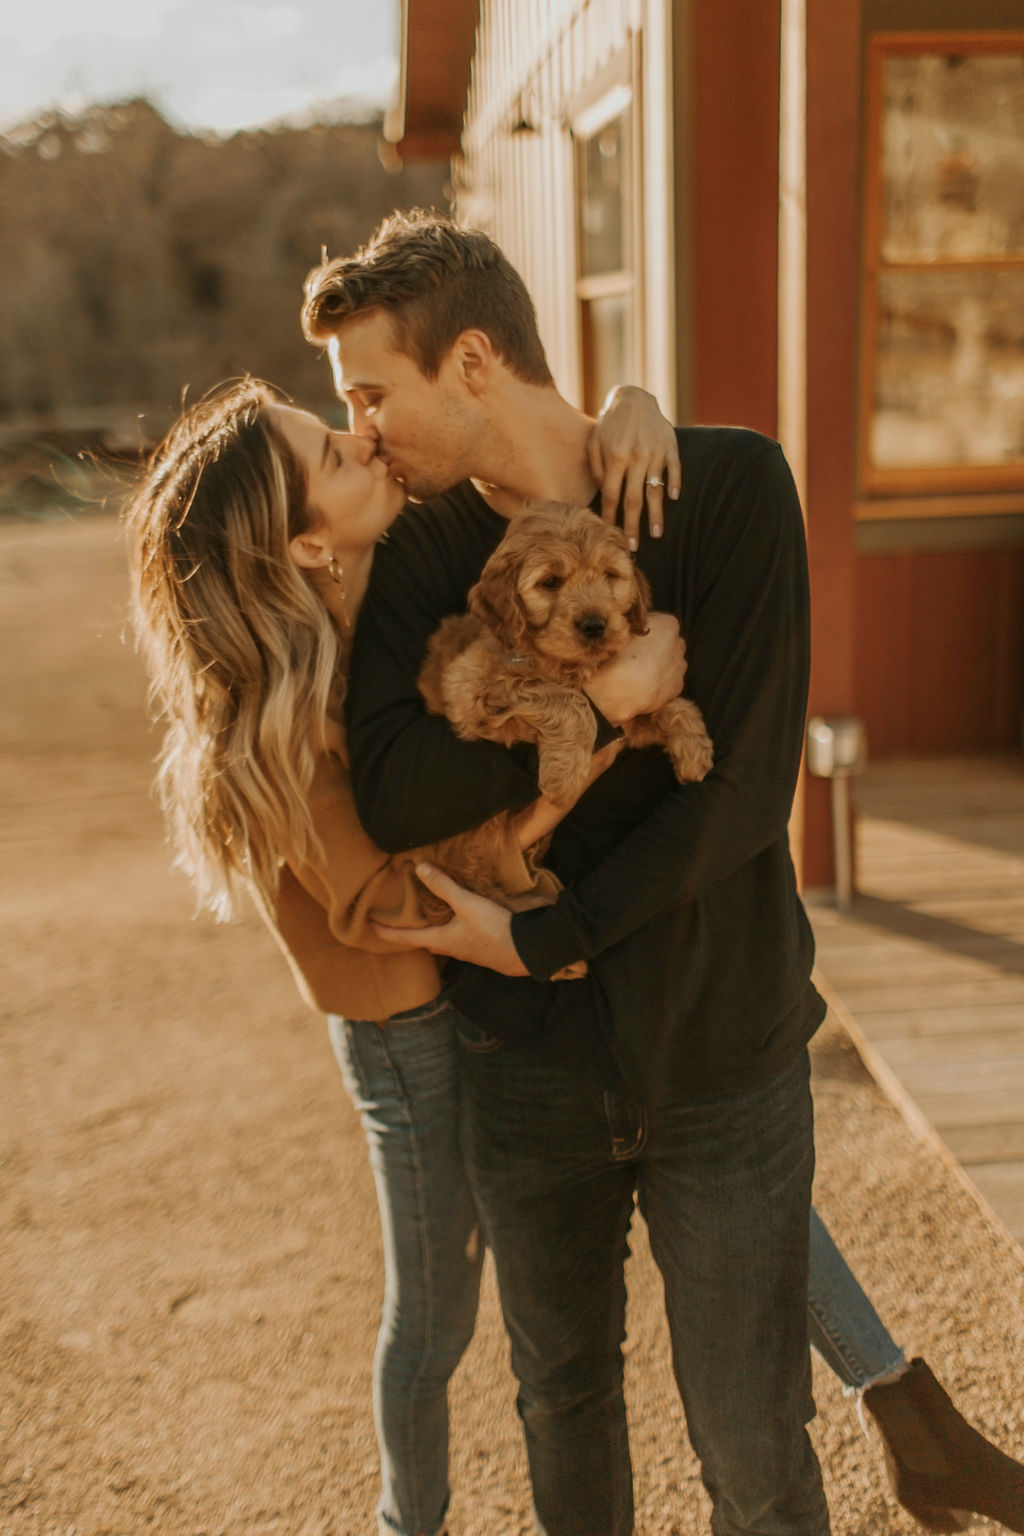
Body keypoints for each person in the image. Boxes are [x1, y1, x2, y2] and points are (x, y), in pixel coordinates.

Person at [126, 376, 1024, 1536]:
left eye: (357, 408)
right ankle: (411, 1522)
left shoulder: (378, 568)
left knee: (734, 1204)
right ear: (299, 538)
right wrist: (602, 718)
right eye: (338, 445)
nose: (365, 437)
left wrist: (631, 406)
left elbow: (524, 443)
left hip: (495, 982)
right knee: (439, 1314)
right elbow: (411, 888)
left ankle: (902, 1407)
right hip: (413, 1029)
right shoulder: (284, 698)